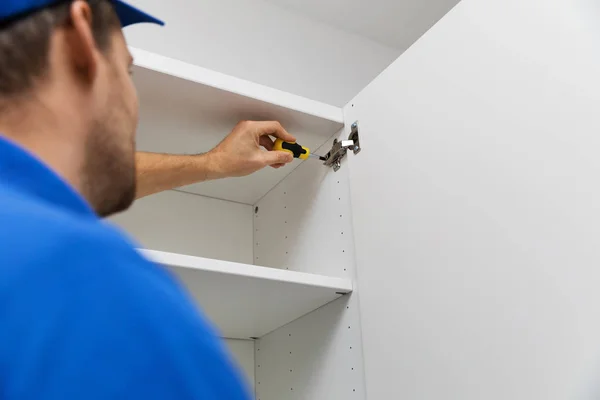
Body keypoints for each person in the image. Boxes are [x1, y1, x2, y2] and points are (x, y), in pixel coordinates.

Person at [0, 0, 296, 398]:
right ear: (81, 39)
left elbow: (65, 182)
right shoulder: (79, 272)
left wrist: (213, 164)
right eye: (127, 70)